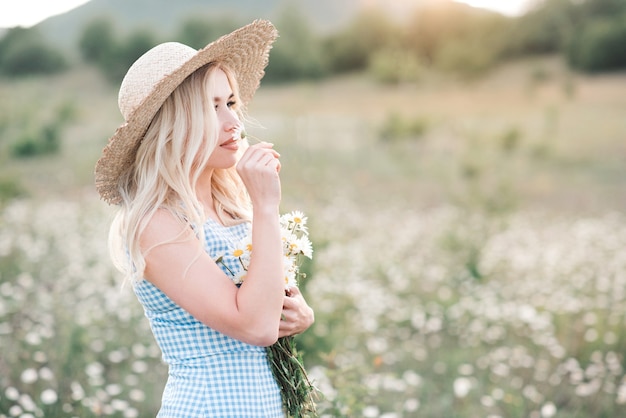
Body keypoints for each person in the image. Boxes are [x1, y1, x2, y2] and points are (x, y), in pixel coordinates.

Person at [94, 20, 314, 417]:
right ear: (174, 127)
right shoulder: (155, 223)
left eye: (230, 103)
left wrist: (300, 314)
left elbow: (267, 307)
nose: (233, 122)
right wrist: (266, 206)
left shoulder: (230, 206)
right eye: (211, 108)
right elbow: (255, 327)